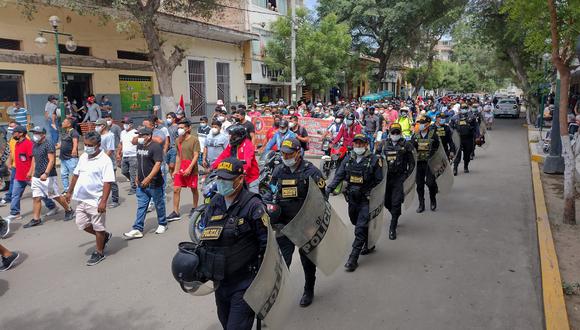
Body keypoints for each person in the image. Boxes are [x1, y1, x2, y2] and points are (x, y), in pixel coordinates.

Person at [197, 157, 267, 330]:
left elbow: (266, 244)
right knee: (225, 322)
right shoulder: (215, 202)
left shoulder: (253, 205)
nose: (222, 183)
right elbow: (205, 236)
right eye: (219, 178)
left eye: (227, 179)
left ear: (240, 179)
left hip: (245, 283)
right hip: (220, 282)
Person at [266, 138, 326, 307]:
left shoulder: (311, 172)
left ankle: (309, 289)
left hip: (305, 225)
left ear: (298, 153)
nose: (285, 156)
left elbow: (322, 199)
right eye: (283, 153)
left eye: (289, 153)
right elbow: (270, 191)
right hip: (283, 225)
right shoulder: (278, 171)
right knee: (282, 262)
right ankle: (278, 295)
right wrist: (270, 207)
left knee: (307, 260)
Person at [326, 134, 383, 271]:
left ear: (365, 145)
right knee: (354, 221)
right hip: (352, 198)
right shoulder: (348, 159)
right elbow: (339, 175)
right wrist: (329, 189)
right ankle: (368, 242)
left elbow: (379, 181)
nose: (358, 146)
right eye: (356, 143)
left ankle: (353, 258)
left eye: (361, 144)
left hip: (366, 199)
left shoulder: (374, 160)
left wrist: (373, 195)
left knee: (360, 228)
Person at [65, 131, 115, 266]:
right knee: (82, 224)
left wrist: (103, 201)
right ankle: (104, 236)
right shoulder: (84, 157)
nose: (87, 147)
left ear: (98, 145)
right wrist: (69, 192)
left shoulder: (105, 160)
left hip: (96, 200)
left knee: (98, 227)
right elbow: (76, 175)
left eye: (89, 145)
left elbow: (108, 182)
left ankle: (99, 252)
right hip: (82, 198)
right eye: (85, 144)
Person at [25, 126, 74, 228]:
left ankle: (69, 210)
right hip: (37, 176)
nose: (35, 135)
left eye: (37, 133)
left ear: (43, 134)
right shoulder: (35, 145)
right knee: (36, 198)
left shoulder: (48, 144)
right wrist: (30, 172)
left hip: (48, 176)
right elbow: (34, 159)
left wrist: (46, 173)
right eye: (33, 133)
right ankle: (36, 219)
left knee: (55, 196)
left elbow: (51, 160)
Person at [123, 127, 168, 238]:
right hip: (141, 183)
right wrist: (138, 176)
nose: (139, 138)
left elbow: (158, 164)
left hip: (154, 182)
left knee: (158, 203)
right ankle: (137, 228)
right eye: (139, 135)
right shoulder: (140, 146)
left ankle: (162, 223)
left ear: (148, 136)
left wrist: (148, 178)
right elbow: (140, 162)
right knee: (142, 206)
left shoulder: (155, 147)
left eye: (141, 135)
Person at [382, 123, 415, 240]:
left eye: (397, 132)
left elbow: (412, 162)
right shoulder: (383, 144)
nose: (395, 134)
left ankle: (393, 227)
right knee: (386, 202)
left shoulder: (406, 145)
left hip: (400, 177)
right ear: (389, 133)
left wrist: (408, 176)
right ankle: (395, 213)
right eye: (393, 132)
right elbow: (376, 160)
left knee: (396, 202)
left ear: (400, 133)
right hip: (387, 178)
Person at [167, 120, 200, 221]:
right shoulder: (178, 140)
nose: (180, 129)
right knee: (176, 189)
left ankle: (195, 207)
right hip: (181, 168)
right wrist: (175, 170)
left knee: (193, 189)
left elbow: (196, 155)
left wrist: (190, 168)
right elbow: (178, 155)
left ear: (188, 128)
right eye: (179, 128)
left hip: (191, 168)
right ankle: (175, 211)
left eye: (182, 127)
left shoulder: (194, 140)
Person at [211, 125, 260, 193]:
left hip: (250, 178)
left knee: (254, 198)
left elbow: (247, 161)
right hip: (236, 177)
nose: (230, 137)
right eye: (230, 135)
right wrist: (212, 167)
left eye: (232, 135)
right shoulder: (231, 145)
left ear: (239, 136)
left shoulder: (247, 144)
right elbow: (223, 156)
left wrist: (244, 170)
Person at [412, 117, 440, 213]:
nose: (421, 125)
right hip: (419, 163)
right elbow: (411, 148)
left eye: (423, 123)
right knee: (419, 185)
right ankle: (421, 204)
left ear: (428, 124)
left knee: (430, 183)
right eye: (420, 123)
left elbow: (438, 148)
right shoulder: (415, 135)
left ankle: (433, 200)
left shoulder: (433, 135)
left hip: (429, 163)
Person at [95, 119, 120, 208]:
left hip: (109, 163)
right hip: (99, 162)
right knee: (100, 182)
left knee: (112, 182)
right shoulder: (98, 136)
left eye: (98, 125)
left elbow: (110, 150)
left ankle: (115, 200)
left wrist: (102, 159)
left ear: (103, 126)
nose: (96, 127)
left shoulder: (109, 135)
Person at [451, 104, 478, 175]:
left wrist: (477, 136)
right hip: (458, 138)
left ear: (468, 109)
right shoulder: (455, 118)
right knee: (457, 154)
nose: (464, 109)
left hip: (468, 138)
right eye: (463, 108)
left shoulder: (472, 117)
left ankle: (466, 166)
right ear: (460, 109)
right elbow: (451, 127)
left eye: (465, 108)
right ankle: (455, 168)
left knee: (467, 154)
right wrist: (453, 134)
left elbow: (476, 127)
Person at [118, 118, 138, 195]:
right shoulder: (122, 132)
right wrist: (118, 153)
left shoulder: (135, 132)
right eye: (124, 123)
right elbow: (121, 143)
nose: (124, 125)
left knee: (133, 172)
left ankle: (134, 188)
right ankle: (135, 181)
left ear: (131, 124)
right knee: (124, 171)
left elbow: (137, 142)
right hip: (125, 155)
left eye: (126, 123)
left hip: (133, 155)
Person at [59, 117, 79, 193]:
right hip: (63, 158)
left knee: (75, 175)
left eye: (64, 122)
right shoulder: (65, 132)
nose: (62, 123)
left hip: (71, 158)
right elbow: (62, 143)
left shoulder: (74, 132)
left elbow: (75, 142)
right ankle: (66, 190)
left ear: (69, 124)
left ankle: (78, 189)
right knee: (64, 175)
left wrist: (74, 150)